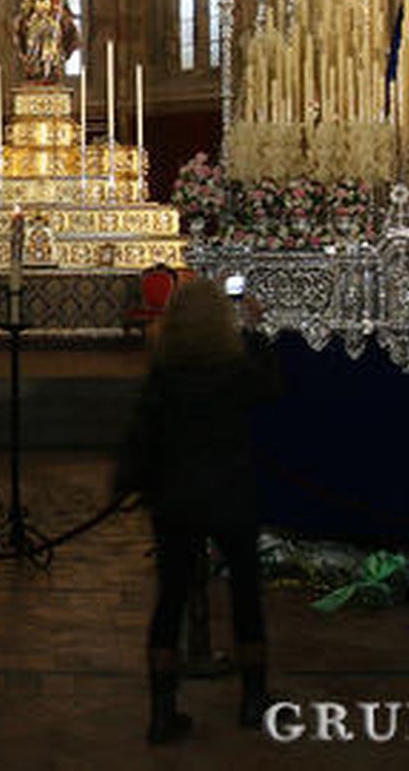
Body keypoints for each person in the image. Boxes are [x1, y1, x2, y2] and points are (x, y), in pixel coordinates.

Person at [114, 278, 282, 744]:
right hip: (230, 494)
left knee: (169, 602)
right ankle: (253, 700)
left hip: (176, 498)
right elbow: (271, 386)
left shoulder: (165, 374)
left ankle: (162, 711)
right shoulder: (235, 369)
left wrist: (130, 485)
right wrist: (256, 329)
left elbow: (141, 435)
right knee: (246, 598)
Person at [6, 0, 80, 81]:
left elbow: (63, 10)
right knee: (32, 36)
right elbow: (26, 12)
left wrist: (59, 10)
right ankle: (34, 67)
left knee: (51, 34)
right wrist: (27, 2)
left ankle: (49, 68)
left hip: (50, 23)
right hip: (36, 23)